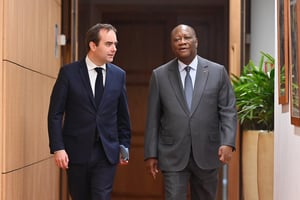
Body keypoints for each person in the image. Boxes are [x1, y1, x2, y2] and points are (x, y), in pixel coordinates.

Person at [144, 24, 237, 200]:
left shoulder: (217, 72)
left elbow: (228, 110)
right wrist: (150, 153)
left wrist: (228, 142)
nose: (182, 42)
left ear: (196, 41)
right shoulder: (160, 75)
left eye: (186, 38)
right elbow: (153, 118)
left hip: (207, 152)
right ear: (172, 45)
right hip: (172, 154)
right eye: (177, 39)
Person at [48, 23, 131, 200]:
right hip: (75, 152)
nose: (114, 49)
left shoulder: (119, 75)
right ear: (93, 45)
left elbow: (123, 115)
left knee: (101, 196)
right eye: (108, 44)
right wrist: (58, 148)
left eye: (115, 44)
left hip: (106, 152)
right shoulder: (68, 73)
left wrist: (124, 145)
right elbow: (55, 114)